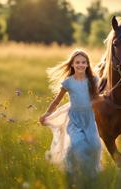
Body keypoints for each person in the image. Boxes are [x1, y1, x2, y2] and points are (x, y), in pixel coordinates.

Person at [39, 49, 101, 184]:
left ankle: (91, 174)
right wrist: (47, 114)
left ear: (87, 64)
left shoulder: (93, 80)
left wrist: (99, 100)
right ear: (72, 64)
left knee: (95, 146)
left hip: (89, 119)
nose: (80, 65)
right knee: (77, 144)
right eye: (77, 62)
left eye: (84, 62)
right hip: (74, 120)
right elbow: (56, 101)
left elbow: (96, 98)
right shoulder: (68, 82)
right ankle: (71, 170)